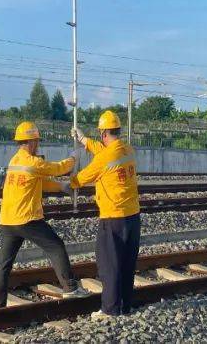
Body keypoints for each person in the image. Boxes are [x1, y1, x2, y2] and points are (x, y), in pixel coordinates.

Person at [0, 121, 87, 308]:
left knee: (4, 263)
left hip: (8, 220)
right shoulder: (33, 162)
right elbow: (57, 169)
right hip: (27, 219)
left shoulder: (15, 161)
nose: (38, 145)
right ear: (32, 141)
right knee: (56, 246)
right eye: (37, 141)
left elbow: (38, 182)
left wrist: (61, 187)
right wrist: (73, 159)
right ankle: (70, 288)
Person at [71, 110, 141, 317]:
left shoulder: (104, 159)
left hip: (113, 218)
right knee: (127, 264)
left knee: (109, 265)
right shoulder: (127, 150)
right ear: (117, 131)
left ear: (103, 133)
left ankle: (110, 310)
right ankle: (125, 306)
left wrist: (66, 181)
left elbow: (81, 178)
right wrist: (84, 140)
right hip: (133, 217)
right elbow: (103, 150)